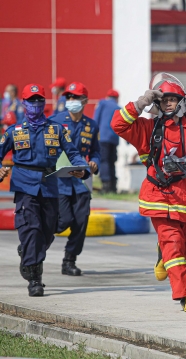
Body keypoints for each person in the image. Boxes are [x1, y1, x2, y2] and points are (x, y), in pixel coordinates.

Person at [112, 74, 186, 313]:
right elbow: (118, 125)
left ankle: (163, 256)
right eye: (164, 100)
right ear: (158, 104)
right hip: (158, 197)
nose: (169, 104)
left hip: (185, 198)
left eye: (173, 99)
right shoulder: (147, 128)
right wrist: (142, 102)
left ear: (182, 101)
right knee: (173, 244)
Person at [0, 83, 89, 296]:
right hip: (25, 185)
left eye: (39, 100)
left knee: (48, 231)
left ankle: (28, 252)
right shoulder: (14, 131)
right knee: (31, 229)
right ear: (23, 103)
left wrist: (81, 169)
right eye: (31, 101)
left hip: (49, 185)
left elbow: (74, 153)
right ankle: (35, 278)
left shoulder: (56, 130)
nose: (35, 105)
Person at [49, 82, 100, 276]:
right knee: (63, 221)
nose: (71, 101)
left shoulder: (91, 125)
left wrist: (95, 162)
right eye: (69, 97)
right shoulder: (54, 122)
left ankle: (69, 260)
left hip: (82, 180)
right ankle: (36, 242)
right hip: (60, 180)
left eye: (76, 98)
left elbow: (96, 151)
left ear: (85, 101)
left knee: (80, 221)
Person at [94, 89, 121, 193]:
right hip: (114, 138)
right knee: (112, 161)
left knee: (104, 160)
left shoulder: (102, 103)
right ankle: (113, 187)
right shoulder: (118, 108)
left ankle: (106, 185)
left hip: (103, 137)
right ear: (117, 98)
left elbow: (96, 119)